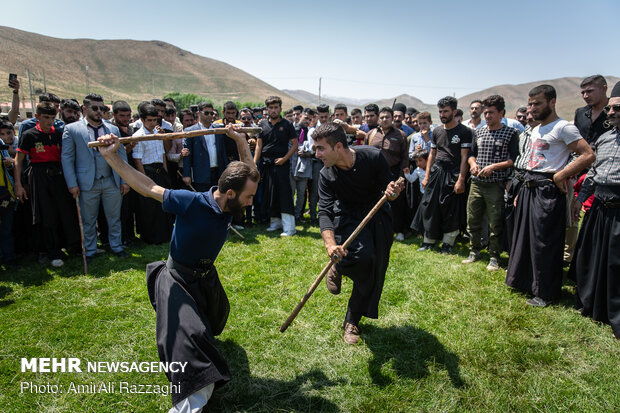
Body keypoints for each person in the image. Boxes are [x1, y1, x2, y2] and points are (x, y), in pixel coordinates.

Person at [96, 123, 258, 412]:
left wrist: (241, 140)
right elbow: (147, 187)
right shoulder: (191, 202)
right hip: (176, 280)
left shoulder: (231, 202)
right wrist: (111, 156)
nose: (251, 201)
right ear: (230, 193)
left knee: (214, 323)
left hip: (204, 278)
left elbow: (250, 170)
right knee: (191, 344)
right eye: (248, 197)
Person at [505, 85, 595, 307]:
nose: (532, 108)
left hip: (547, 190)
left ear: (552, 102)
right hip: (529, 187)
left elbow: (588, 155)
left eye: (538, 104)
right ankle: (525, 281)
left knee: (544, 241)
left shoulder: (564, 127)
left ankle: (545, 292)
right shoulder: (536, 129)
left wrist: (561, 175)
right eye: (531, 104)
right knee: (525, 237)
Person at [314, 122, 403, 344]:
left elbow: (389, 189)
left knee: (373, 267)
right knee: (360, 258)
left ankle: (352, 321)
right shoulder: (326, 174)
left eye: (321, 148)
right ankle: (339, 265)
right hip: (346, 217)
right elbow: (324, 211)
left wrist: (392, 192)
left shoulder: (373, 157)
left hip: (377, 215)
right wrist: (330, 245)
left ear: (339, 147)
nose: (316, 154)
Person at [569, 81, 620, 339]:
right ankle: (589, 305)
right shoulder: (604, 137)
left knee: (615, 264)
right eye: (610, 109)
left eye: (617, 110)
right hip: (598, 207)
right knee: (591, 256)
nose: (611, 114)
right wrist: (581, 199)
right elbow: (592, 173)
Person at [62, 93, 129, 262]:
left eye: (102, 108)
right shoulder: (72, 129)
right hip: (86, 182)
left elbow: (122, 155)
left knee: (114, 217)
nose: (99, 111)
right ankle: (90, 250)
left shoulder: (112, 129)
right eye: (95, 108)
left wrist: (124, 180)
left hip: (110, 180)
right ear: (85, 109)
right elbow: (67, 158)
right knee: (88, 219)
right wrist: (72, 183)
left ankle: (117, 246)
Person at [14, 102, 80, 267]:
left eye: (52, 117)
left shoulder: (59, 134)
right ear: (37, 117)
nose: (49, 121)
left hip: (59, 175)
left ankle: (72, 245)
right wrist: (18, 184)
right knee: (46, 214)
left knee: (65, 211)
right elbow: (18, 161)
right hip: (39, 176)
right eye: (46, 117)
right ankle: (52, 251)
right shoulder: (29, 135)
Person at [462, 95, 519, 271]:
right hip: (477, 183)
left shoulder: (511, 133)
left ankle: (494, 256)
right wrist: (473, 164)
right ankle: (474, 251)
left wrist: (494, 167)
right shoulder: (478, 132)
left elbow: (514, 159)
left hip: (496, 184)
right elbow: (471, 154)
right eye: (485, 113)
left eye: (491, 113)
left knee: (495, 221)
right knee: (472, 218)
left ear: (501, 113)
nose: (487, 116)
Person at [418, 97, 473, 254]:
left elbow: (464, 158)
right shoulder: (436, 131)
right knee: (429, 205)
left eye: (446, 111)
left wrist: (461, 180)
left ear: (454, 112)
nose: (442, 114)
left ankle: (448, 243)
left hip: (453, 173)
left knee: (450, 208)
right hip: (437, 172)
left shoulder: (464, 132)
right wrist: (427, 176)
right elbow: (432, 155)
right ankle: (429, 241)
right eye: (440, 111)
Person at [254, 96, 298, 236]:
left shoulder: (287, 124)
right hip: (266, 165)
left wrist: (284, 159)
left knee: (284, 194)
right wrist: (254, 163)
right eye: (270, 108)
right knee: (271, 194)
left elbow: (295, 144)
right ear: (267, 109)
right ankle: (275, 223)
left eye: (276, 107)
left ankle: (289, 228)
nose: (273, 110)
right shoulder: (262, 124)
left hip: (281, 164)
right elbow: (258, 145)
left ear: (280, 108)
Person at [364, 107, 409, 240]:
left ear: (392, 118)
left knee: (395, 202)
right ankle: (374, 228)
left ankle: (398, 230)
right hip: (373, 174)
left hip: (393, 173)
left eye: (387, 117)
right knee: (373, 201)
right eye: (382, 117)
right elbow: (365, 154)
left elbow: (404, 158)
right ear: (378, 118)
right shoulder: (371, 134)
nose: (384, 119)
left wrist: (401, 178)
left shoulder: (400, 135)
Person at [132, 103, 173, 244]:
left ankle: (165, 235)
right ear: (142, 120)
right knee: (149, 206)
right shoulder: (138, 135)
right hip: (147, 171)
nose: (152, 123)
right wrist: (143, 179)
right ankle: (150, 237)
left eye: (154, 120)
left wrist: (165, 171)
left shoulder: (158, 133)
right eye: (149, 120)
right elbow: (137, 159)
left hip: (160, 170)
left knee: (163, 203)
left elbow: (163, 153)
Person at [182, 102, 228, 192]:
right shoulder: (190, 131)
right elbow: (187, 154)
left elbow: (223, 152)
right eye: (206, 113)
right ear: (199, 114)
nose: (210, 116)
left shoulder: (219, 130)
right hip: (201, 174)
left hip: (218, 173)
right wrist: (186, 174)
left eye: (212, 113)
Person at [290, 108, 314, 220]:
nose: (307, 121)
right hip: (292, 165)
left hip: (304, 167)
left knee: (301, 193)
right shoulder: (291, 129)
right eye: (306, 118)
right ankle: (289, 215)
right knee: (291, 192)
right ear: (300, 116)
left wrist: (308, 153)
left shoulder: (310, 132)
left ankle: (298, 215)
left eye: (310, 119)